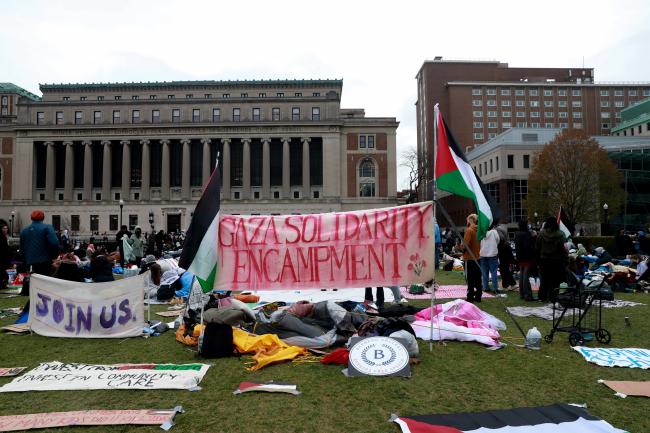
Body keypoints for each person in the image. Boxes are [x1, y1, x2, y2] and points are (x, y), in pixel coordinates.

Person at [535, 217, 567, 302]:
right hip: (556, 260)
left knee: (544, 279)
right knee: (555, 280)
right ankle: (553, 297)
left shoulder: (541, 234)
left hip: (544, 260)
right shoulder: (560, 234)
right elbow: (563, 248)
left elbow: (537, 247)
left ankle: (542, 297)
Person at [19, 210, 59, 276]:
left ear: (31, 218)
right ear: (43, 218)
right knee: (44, 282)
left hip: (29, 261)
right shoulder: (47, 227)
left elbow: (22, 249)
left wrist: (25, 262)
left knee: (33, 282)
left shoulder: (24, 231)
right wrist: (54, 256)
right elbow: (54, 243)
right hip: (44, 261)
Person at [461, 214, 482, 303]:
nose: (466, 222)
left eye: (467, 220)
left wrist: (460, 246)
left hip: (469, 258)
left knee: (469, 278)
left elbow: (465, 245)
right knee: (477, 278)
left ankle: (470, 297)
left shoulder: (469, 230)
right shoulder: (479, 230)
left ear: (471, 220)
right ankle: (478, 296)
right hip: (477, 257)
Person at [514, 219, 536, 301]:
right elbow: (528, 247)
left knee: (522, 276)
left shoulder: (517, 234)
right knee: (525, 276)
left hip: (520, 257)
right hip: (527, 257)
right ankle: (527, 294)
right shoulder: (526, 234)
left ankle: (522, 293)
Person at [480, 223, 500, 294]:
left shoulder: (482, 232)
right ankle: (495, 288)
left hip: (483, 254)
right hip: (493, 254)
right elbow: (498, 240)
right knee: (494, 271)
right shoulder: (494, 232)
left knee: (484, 272)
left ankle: (485, 287)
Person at [496, 223, 516, 290]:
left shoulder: (497, 230)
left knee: (504, 269)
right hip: (505, 250)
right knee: (504, 269)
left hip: (503, 250)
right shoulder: (500, 229)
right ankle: (507, 284)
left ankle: (509, 284)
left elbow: (500, 239)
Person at [0, 221, 11, 289]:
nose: (5, 230)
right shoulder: (3, 237)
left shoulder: (5, 237)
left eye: (6, 228)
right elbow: (5, 249)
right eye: (4, 228)